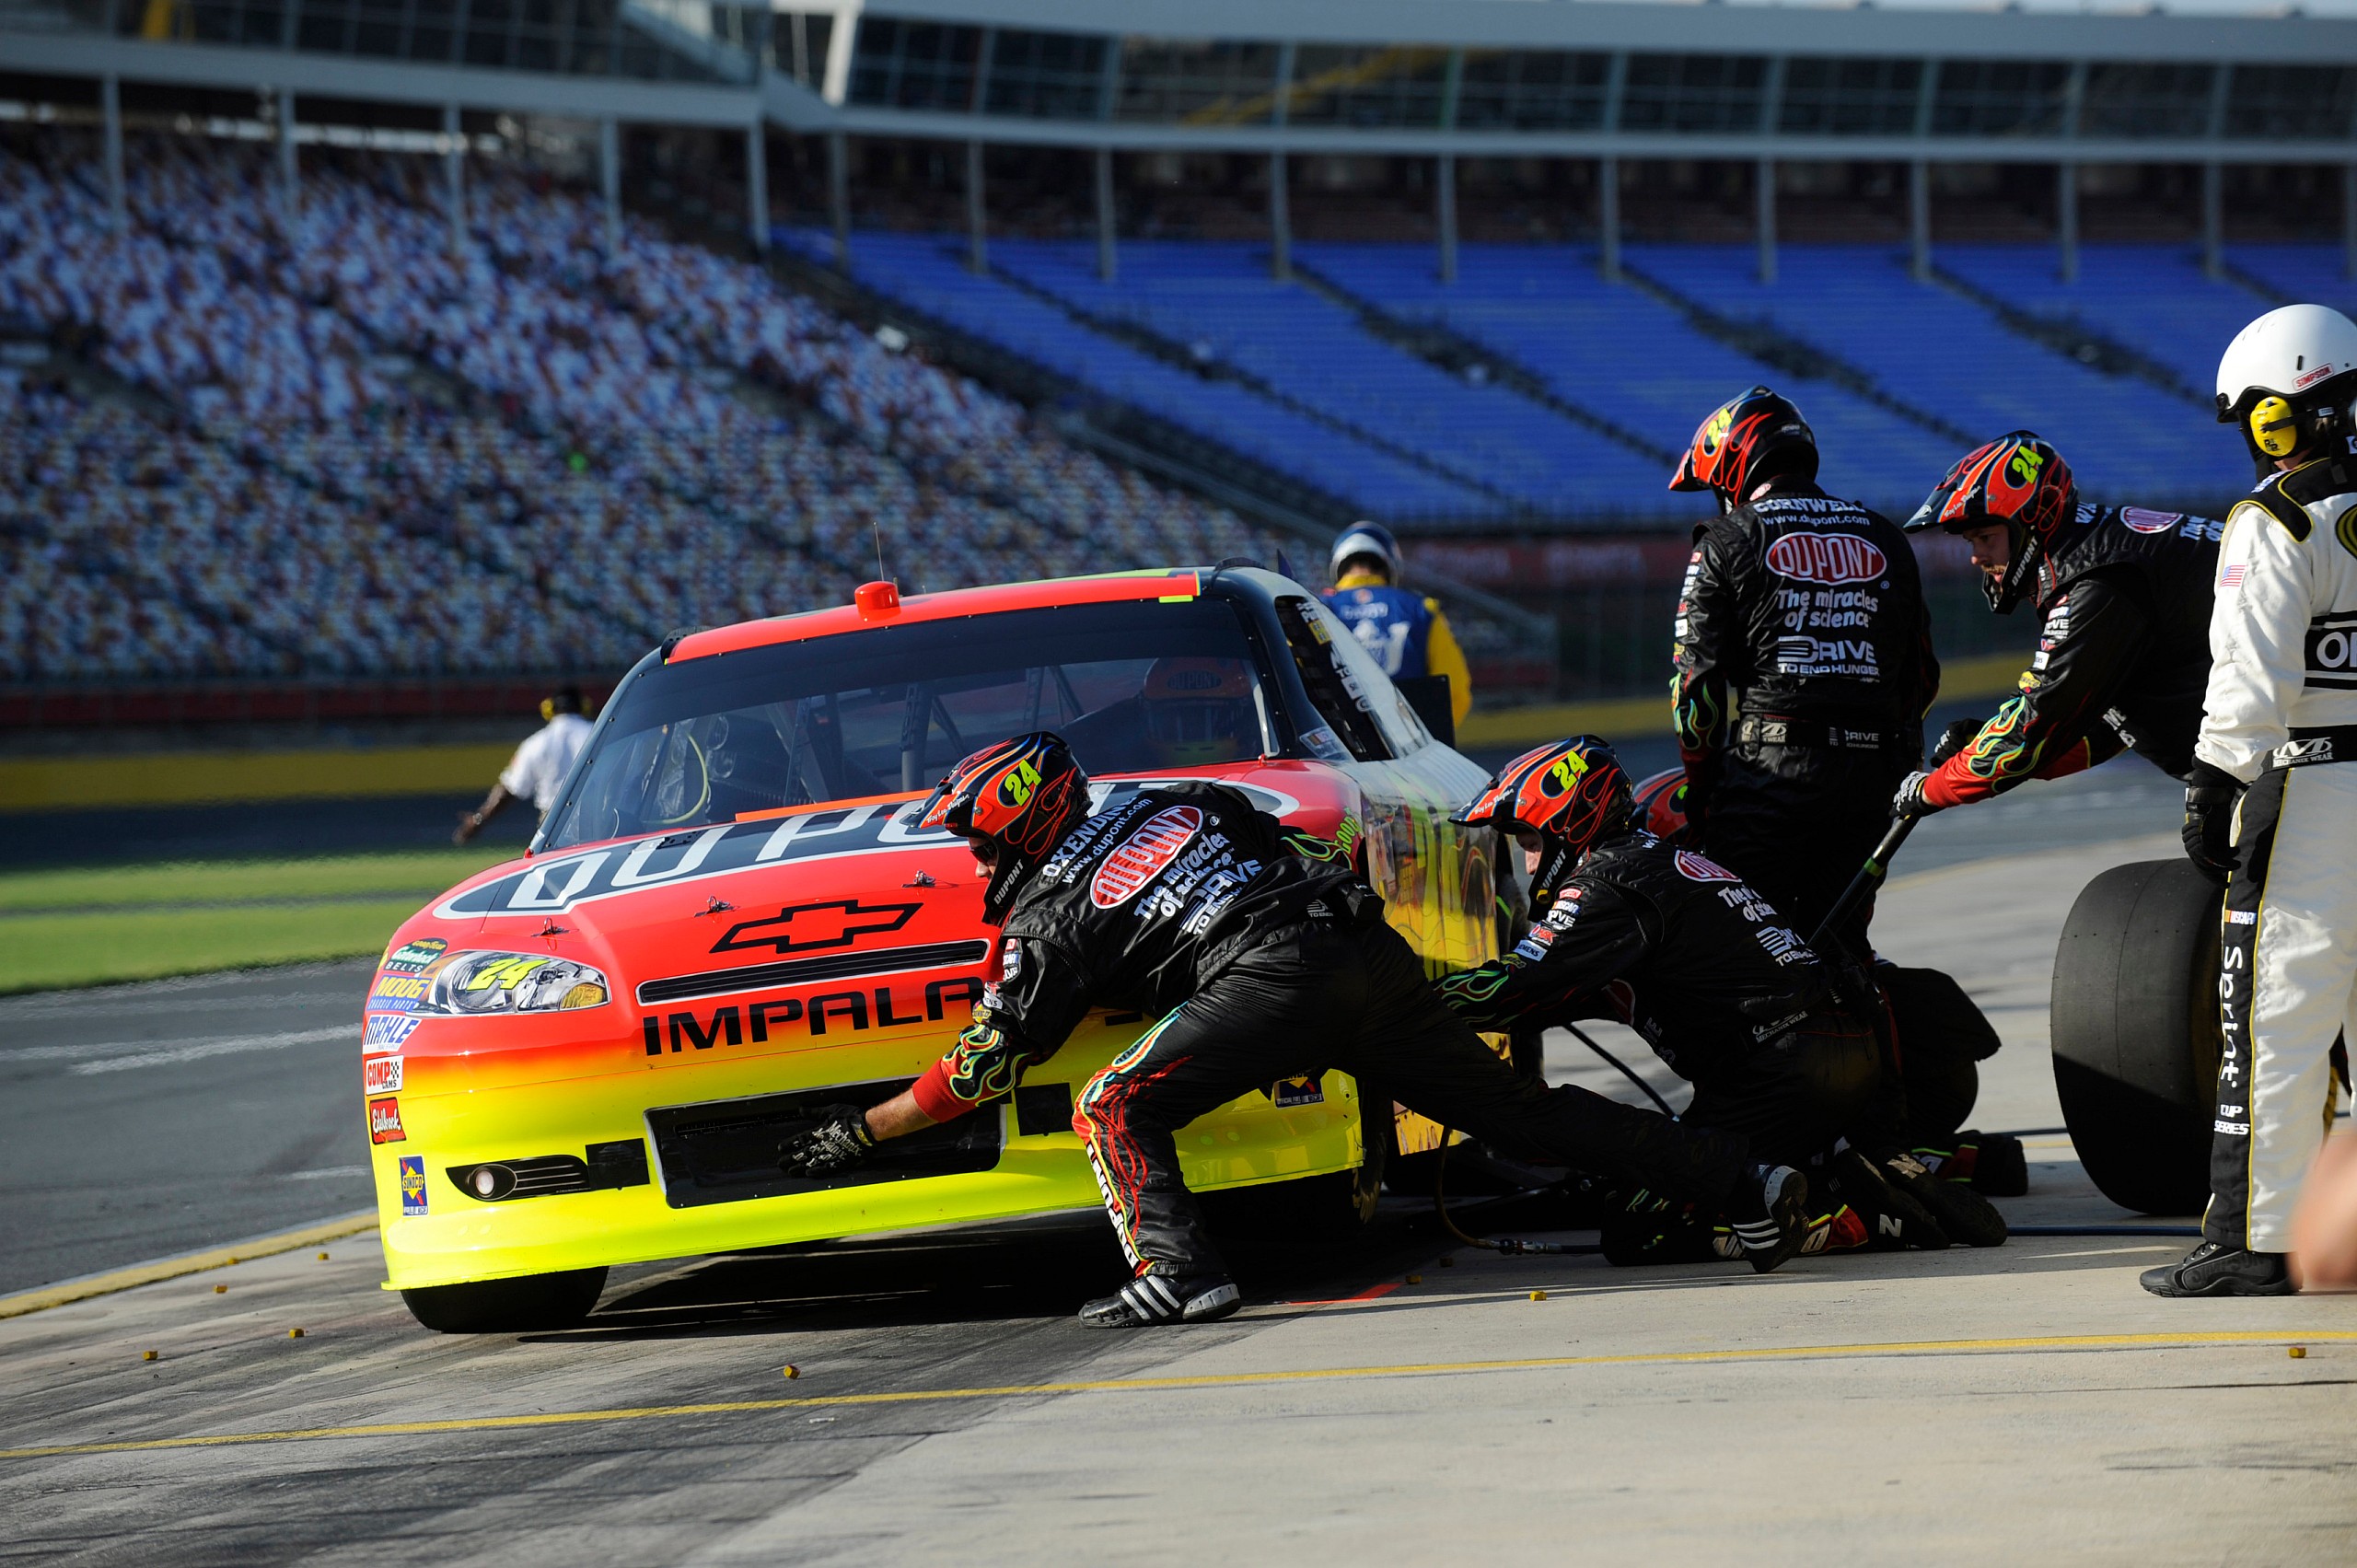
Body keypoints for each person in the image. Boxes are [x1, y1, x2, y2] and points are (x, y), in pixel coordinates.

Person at [779, 732, 1813, 1327]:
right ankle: (1738, 1178)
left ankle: (1183, 1270)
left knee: (1113, 1101)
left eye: (973, 835)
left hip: (1265, 981)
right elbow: (1282, 838)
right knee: (1520, 1117)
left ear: (1015, 820)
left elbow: (988, 1064)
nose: (970, 855)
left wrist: (864, 1129)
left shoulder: (1045, 914)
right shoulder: (1171, 795)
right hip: (1360, 950)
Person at [1439, 736, 2007, 1261]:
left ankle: (1843, 1215)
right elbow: (1559, 994)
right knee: (1685, 1166)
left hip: (1777, 1074)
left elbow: (1520, 984)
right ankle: (1845, 1168)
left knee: (1636, 1231)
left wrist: (1411, 1000)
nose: (1530, 862)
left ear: (1571, 822)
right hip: (1828, 1054)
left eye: (1532, 842)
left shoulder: (1606, 885)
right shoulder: (1653, 864)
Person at [2143, 303, 2357, 1299]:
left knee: (2274, 1017)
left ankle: (2254, 1239)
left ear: (2280, 417)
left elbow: (2249, 680)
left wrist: (2212, 785)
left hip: (2311, 788)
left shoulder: (2273, 520)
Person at [1666, 387, 1940, 960]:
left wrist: (1701, 785)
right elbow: (1921, 676)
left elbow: (1695, 691)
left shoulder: (1727, 537)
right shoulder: (1884, 533)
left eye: (1719, 485)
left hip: (1771, 778)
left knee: (1745, 953)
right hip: (1873, 777)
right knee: (1841, 950)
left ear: (1738, 464)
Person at [1891, 434, 2220, 819]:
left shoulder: (2099, 578)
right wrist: (1982, 743)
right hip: (2262, 759)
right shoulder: (2095, 546)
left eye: (1985, 537)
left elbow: (2039, 725)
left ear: (2035, 518)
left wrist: (1929, 789)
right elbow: (2100, 729)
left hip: (2279, 761)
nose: (1976, 558)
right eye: (1970, 542)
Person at [1321, 522, 1473, 727]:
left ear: (1338, 564)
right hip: (1408, 747)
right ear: (1390, 565)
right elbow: (1456, 691)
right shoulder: (1422, 610)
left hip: (1335, 748)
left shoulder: (1312, 607)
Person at [455, 687, 593, 844]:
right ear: (584, 706)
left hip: (553, 822)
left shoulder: (536, 743)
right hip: (598, 819)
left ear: (548, 709)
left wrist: (478, 820)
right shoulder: (599, 736)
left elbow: (510, 788)